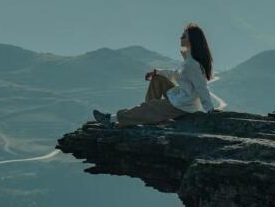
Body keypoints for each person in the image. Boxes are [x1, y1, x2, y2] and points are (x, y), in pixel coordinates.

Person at [93, 23, 226, 128]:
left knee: (147, 107)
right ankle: (150, 115)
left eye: (184, 36)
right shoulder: (189, 60)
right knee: (157, 80)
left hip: (182, 105)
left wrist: (210, 110)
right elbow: (176, 74)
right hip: (181, 97)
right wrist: (157, 72)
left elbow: (201, 87)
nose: (180, 38)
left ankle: (111, 119)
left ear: (191, 40)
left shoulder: (192, 64)